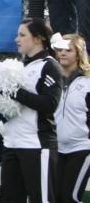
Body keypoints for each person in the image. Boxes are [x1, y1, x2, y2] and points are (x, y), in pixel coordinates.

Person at [1, 19, 63, 201]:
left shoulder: (50, 65)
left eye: (22, 35)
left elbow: (50, 103)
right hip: (12, 144)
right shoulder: (20, 66)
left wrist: (15, 92)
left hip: (36, 145)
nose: (16, 39)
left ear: (38, 39)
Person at [52, 33, 90, 203]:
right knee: (55, 197)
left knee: (70, 198)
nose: (63, 53)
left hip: (82, 148)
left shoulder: (88, 83)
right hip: (57, 148)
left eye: (68, 50)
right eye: (59, 49)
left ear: (79, 53)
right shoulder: (51, 81)